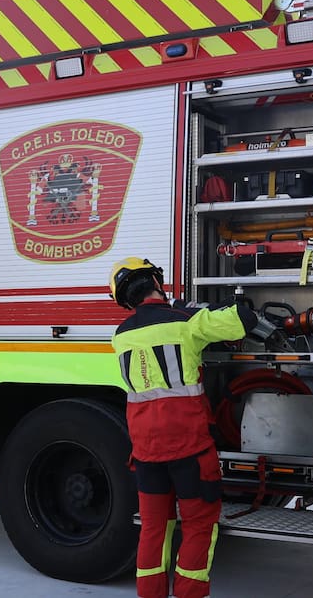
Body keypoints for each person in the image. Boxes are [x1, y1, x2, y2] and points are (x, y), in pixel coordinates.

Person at [109, 256, 258, 598]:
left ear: (127, 300)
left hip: (146, 451)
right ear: (156, 284)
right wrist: (184, 305)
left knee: (153, 529)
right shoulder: (184, 321)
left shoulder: (121, 336)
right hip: (190, 449)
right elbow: (243, 319)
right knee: (198, 525)